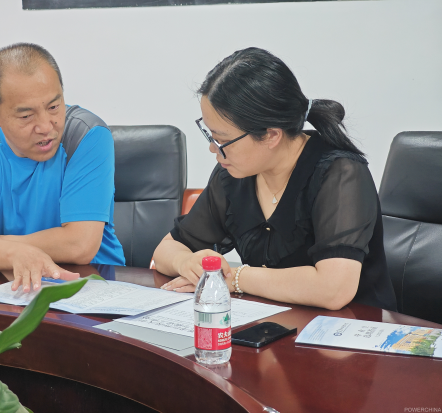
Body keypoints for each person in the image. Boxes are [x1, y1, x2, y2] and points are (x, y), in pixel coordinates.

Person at [155, 47, 397, 311]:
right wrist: (186, 263)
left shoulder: (340, 173)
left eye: (222, 140)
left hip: (350, 328)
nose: (214, 149)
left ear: (271, 135)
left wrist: (235, 278)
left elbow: (333, 289)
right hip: (275, 324)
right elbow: (166, 249)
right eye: (210, 135)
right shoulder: (232, 174)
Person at [0, 43, 125, 293]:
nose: (46, 126)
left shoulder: (87, 135)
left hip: (91, 283)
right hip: (9, 287)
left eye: (54, 107)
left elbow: (80, 245)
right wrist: (11, 253)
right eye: (26, 116)